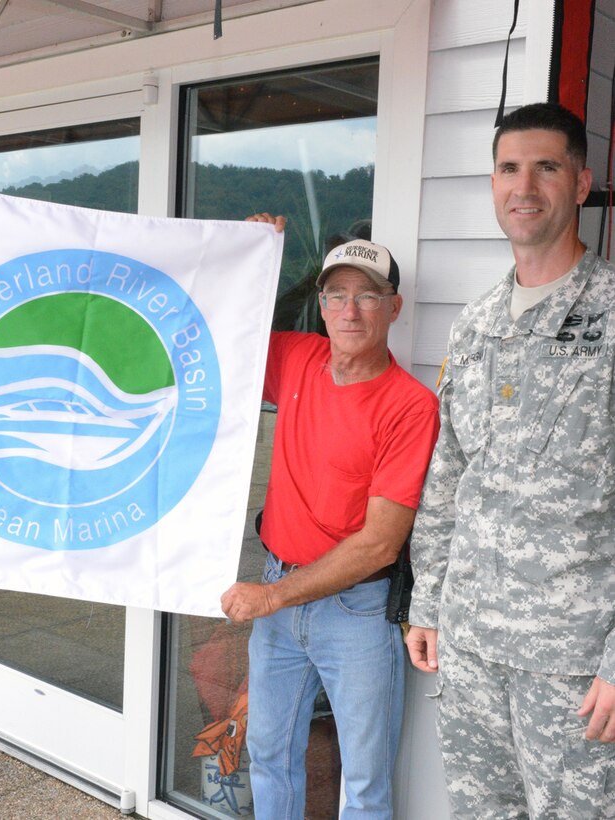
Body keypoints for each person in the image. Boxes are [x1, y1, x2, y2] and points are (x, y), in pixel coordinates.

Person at [406, 101, 615, 817]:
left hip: (572, 661)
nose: (522, 186)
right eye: (507, 168)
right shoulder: (476, 323)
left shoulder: (611, 316)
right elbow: (448, 476)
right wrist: (427, 602)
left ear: (580, 184)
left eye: (545, 167)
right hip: (470, 645)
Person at [222, 221, 440, 819]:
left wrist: (272, 598)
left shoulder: (411, 406)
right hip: (278, 588)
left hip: (358, 611)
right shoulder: (296, 357)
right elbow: (224, 330)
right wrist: (256, 255)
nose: (351, 309)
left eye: (368, 295)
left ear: (392, 307)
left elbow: (378, 545)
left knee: (363, 781)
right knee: (269, 755)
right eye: (337, 294)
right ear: (319, 306)